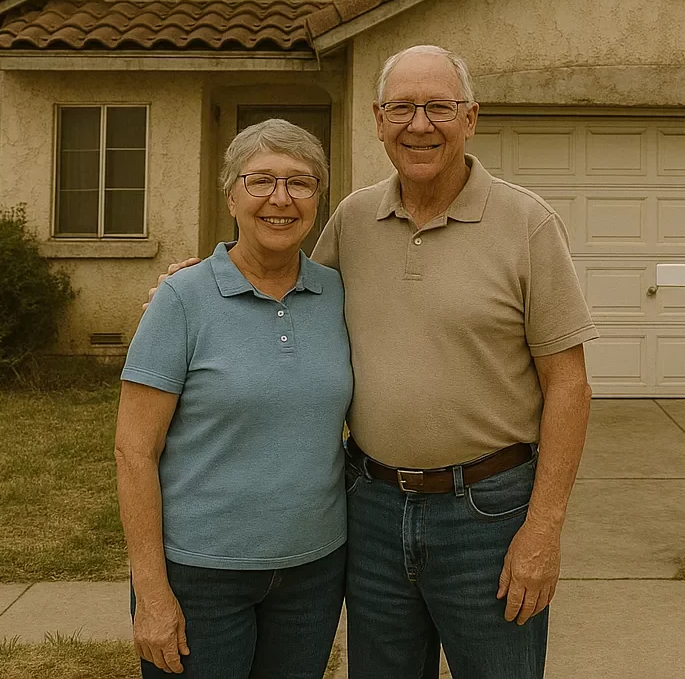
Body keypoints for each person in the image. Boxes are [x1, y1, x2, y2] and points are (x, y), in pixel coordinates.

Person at [151, 45, 597, 679]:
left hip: (489, 517)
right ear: (377, 118)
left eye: (438, 107)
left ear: (470, 117)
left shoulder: (527, 225)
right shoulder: (354, 220)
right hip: (372, 512)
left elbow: (569, 384)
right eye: (402, 108)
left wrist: (544, 529)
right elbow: (284, 283)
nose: (420, 124)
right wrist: (197, 280)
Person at [116, 119, 352, 678]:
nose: (281, 199)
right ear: (230, 195)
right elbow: (134, 452)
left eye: (301, 183)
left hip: (313, 573)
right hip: (201, 575)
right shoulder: (182, 297)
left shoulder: (338, 294)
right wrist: (150, 591)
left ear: (319, 198)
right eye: (261, 181)